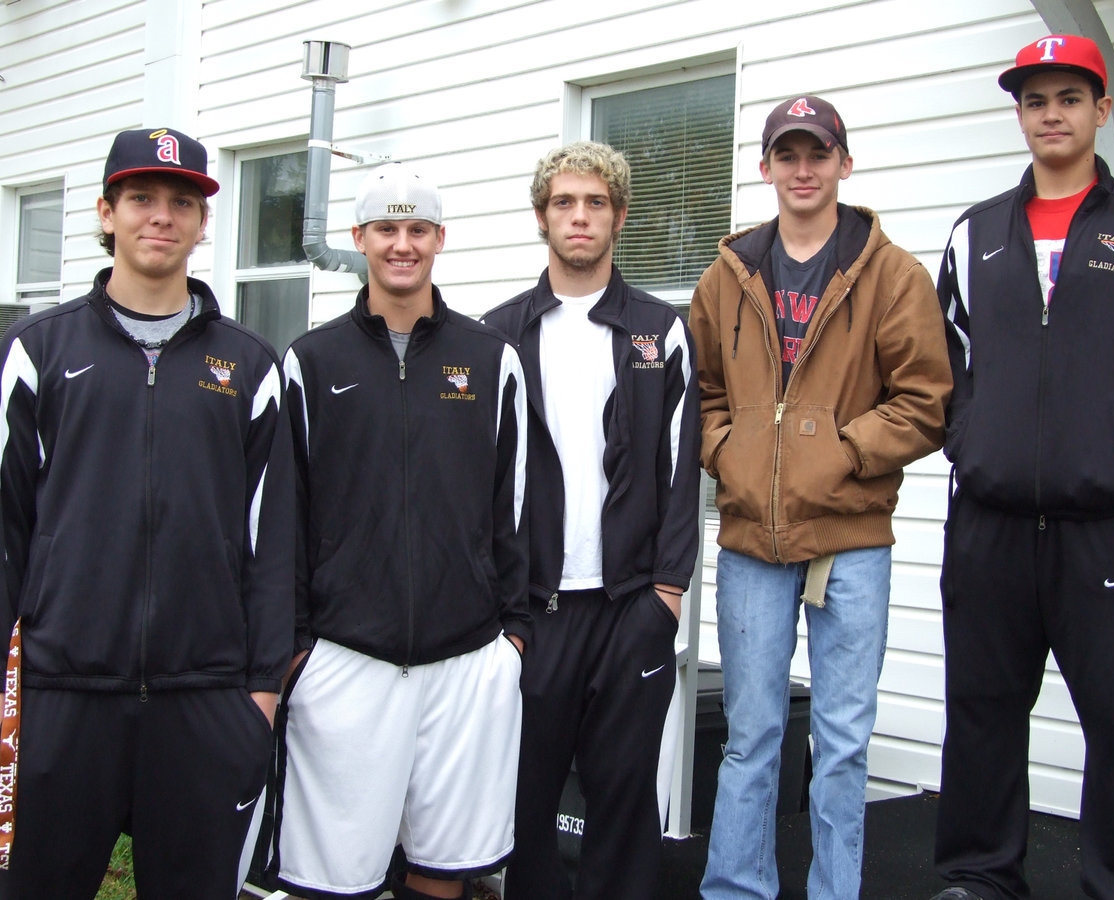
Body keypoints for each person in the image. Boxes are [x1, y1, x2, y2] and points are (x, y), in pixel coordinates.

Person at [0, 127, 294, 898]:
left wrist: (258, 695)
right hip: (58, 699)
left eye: (181, 202)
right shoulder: (38, 351)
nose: (162, 216)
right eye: (142, 199)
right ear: (107, 212)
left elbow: (274, 536)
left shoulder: (248, 364)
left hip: (204, 700)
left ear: (201, 223)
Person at [930, 34, 1114, 900]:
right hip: (990, 522)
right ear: (1020, 114)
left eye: (1069, 98)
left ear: (1101, 110)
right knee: (983, 711)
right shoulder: (975, 233)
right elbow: (945, 363)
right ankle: (980, 875)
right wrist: (973, 440)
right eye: (1036, 100)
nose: (1051, 114)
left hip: (1103, 524)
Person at [689, 96, 951, 900]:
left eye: (818, 153)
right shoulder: (726, 274)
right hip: (750, 542)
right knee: (751, 737)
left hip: (852, 540)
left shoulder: (892, 272)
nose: (803, 170)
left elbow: (926, 400)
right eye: (787, 154)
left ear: (845, 162)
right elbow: (700, 395)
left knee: (841, 741)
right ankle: (737, 888)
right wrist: (727, 453)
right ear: (766, 167)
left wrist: (840, 454)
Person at [264, 163, 530, 900]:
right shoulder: (311, 362)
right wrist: (295, 651)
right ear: (358, 239)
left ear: (441, 239)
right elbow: (286, 513)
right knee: (331, 876)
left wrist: (513, 638)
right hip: (346, 658)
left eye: (418, 230)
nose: (402, 244)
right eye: (386, 229)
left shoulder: (490, 358)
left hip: (467, 659)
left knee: (443, 868)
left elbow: (515, 507)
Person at [481, 141, 700, 900]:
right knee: (526, 801)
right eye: (565, 203)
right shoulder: (498, 334)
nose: (580, 217)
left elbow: (681, 470)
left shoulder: (659, 331)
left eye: (596, 203)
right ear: (542, 216)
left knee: (623, 798)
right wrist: (500, 609)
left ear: (620, 216)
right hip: (532, 614)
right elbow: (481, 485)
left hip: (628, 608)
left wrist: (665, 596)